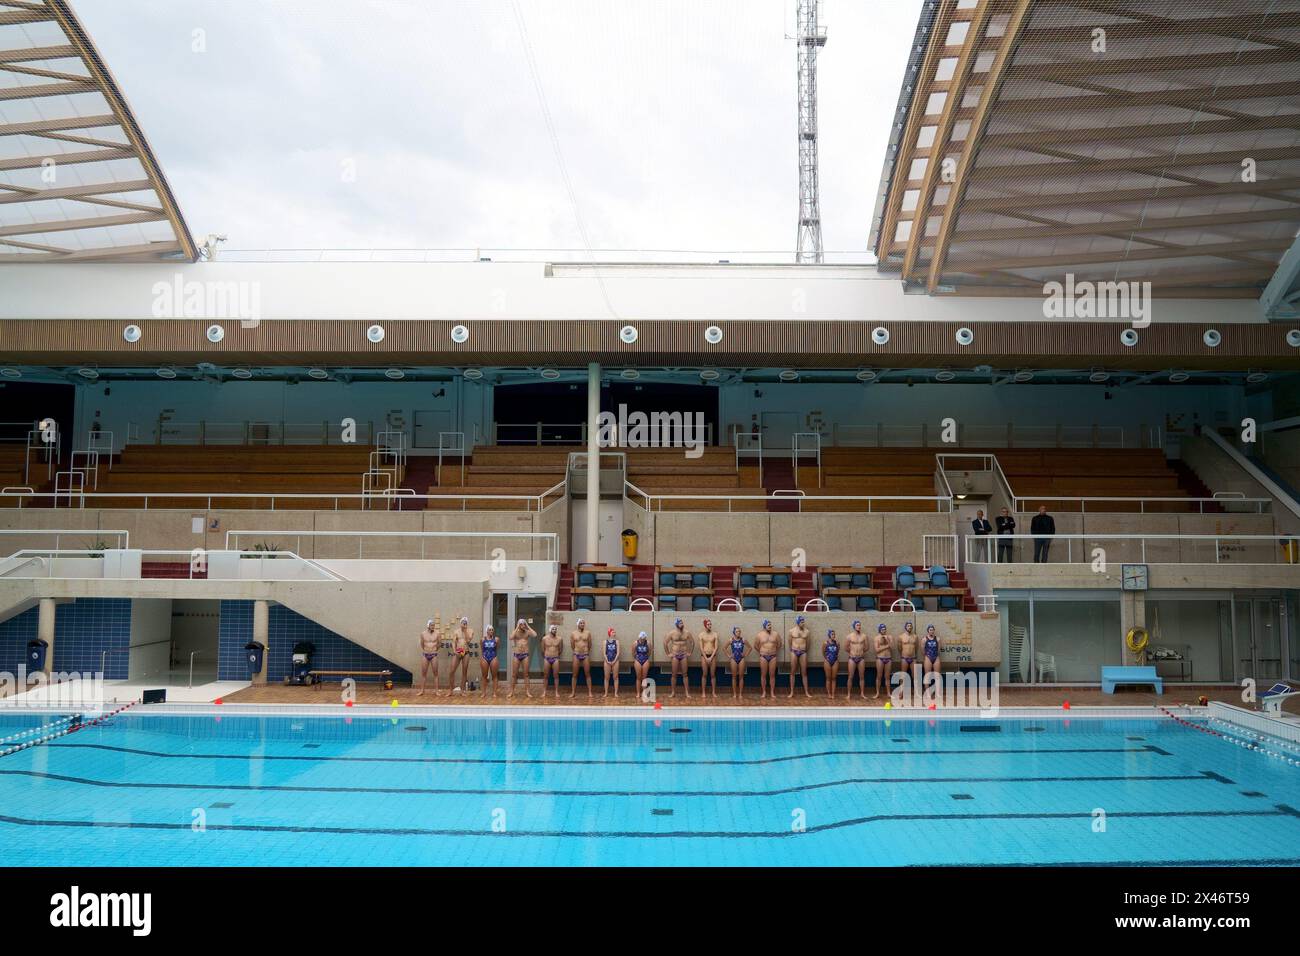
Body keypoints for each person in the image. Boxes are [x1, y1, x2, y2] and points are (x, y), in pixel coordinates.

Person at [663, 618, 694, 698]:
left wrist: (690, 652)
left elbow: (692, 642)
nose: (682, 624)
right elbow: (665, 643)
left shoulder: (687, 633)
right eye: (680, 623)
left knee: (685, 674)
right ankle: (673, 692)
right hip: (675, 655)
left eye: (682, 623)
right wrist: (668, 653)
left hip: (684, 655)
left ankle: (687, 692)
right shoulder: (672, 633)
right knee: (674, 674)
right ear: (676, 624)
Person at [506, 618, 536, 698]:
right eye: (521, 624)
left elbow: (535, 634)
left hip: (525, 654)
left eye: (523, 624)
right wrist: (517, 627)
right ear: (519, 625)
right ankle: (511, 692)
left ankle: (527, 692)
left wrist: (528, 626)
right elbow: (511, 637)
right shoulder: (516, 633)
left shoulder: (527, 632)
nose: (523, 625)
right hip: (517, 654)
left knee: (526, 674)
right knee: (514, 675)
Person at [754, 619, 782, 700]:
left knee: (772, 675)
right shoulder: (759, 635)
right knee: (763, 675)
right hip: (763, 656)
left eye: (770, 625)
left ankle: (772, 692)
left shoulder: (775, 634)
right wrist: (762, 651)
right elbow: (756, 645)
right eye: (768, 625)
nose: (770, 626)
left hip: (773, 656)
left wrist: (774, 650)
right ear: (764, 626)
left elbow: (779, 644)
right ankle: (764, 692)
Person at [787, 615, 812, 699]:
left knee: (804, 672)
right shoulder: (791, 631)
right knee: (792, 672)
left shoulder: (807, 632)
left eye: (803, 622)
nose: (803, 623)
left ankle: (806, 692)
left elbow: (808, 643)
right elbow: (789, 642)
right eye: (801, 622)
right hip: (794, 652)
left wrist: (804, 650)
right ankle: (792, 692)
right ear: (798, 622)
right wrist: (793, 649)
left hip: (803, 652)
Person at [569, 618, 594, 699]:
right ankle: (573, 692)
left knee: (588, 674)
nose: (582, 624)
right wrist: (577, 651)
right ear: (578, 624)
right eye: (581, 623)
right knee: (575, 674)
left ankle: (590, 692)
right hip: (576, 654)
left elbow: (590, 644)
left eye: (583, 623)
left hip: (585, 654)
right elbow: (572, 645)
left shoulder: (588, 633)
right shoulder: (573, 633)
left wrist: (585, 651)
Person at [447, 616, 473, 694]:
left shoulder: (470, 631)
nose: (464, 624)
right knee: (451, 671)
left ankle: (462, 690)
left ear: (467, 624)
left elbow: (468, 641)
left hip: (466, 652)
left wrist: (465, 631)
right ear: (460, 623)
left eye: (465, 623)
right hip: (458, 651)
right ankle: (450, 690)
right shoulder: (456, 631)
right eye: (463, 622)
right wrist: (454, 651)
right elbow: (453, 642)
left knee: (464, 672)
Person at [844, 620, 869, 701]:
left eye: (860, 625)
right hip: (852, 658)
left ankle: (862, 693)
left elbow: (867, 647)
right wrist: (852, 652)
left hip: (861, 658)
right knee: (850, 677)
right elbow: (846, 648)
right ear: (854, 626)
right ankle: (848, 694)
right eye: (857, 625)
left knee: (862, 677)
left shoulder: (864, 636)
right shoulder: (849, 636)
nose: (859, 626)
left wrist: (861, 652)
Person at [540, 624, 565, 699]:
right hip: (547, 658)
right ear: (550, 630)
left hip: (555, 658)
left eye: (555, 629)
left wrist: (556, 655)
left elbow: (560, 650)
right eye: (553, 629)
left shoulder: (559, 639)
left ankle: (556, 692)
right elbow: (542, 650)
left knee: (556, 676)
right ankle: (544, 692)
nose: (554, 630)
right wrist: (546, 656)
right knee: (545, 676)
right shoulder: (544, 639)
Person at [698, 618, 720, 699]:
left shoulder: (715, 634)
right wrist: (706, 658)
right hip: (704, 656)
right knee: (704, 674)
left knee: (713, 675)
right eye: (708, 624)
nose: (709, 626)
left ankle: (713, 692)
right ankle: (703, 692)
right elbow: (701, 648)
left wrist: (711, 657)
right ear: (705, 625)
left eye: (710, 624)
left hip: (712, 656)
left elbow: (716, 647)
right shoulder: (701, 635)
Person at [417, 619, 440, 697]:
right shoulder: (423, 634)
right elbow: (422, 644)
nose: (433, 626)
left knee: (436, 674)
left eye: (434, 625)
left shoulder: (437, 633)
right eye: (431, 625)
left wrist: (434, 650)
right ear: (428, 625)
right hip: (425, 654)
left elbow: (439, 644)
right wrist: (426, 650)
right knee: (423, 674)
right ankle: (422, 691)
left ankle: (437, 691)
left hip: (434, 654)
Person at [727, 626, 749, 700]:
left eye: (739, 631)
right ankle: (734, 694)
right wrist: (729, 655)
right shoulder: (731, 640)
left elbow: (750, 648)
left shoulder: (743, 640)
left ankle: (740, 694)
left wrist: (745, 654)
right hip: (733, 659)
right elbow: (724, 648)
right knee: (734, 677)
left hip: (741, 659)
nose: (738, 633)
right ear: (734, 632)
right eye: (737, 631)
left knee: (741, 677)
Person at [479, 624, 500, 697]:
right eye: (490, 630)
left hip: (493, 657)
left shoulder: (496, 639)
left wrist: (495, 656)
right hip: (485, 657)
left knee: (494, 676)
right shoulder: (482, 639)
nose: (491, 631)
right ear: (487, 631)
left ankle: (494, 692)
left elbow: (497, 648)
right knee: (484, 676)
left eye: (492, 630)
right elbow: (482, 649)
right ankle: (483, 692)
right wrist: (482, 657)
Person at [873, 623, 892, 700]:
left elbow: (891, 647)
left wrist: (887, 640)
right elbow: (877, 650)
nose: (883, 630)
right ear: (879, 630)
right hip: (880, 658)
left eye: (884, 629)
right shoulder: (876, 638)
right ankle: (877, 693)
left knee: (887, 677)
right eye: (882, 629)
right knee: (879, 676)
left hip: (888, 658)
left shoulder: (889, 637)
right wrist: (887, 646)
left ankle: (888, 693)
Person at [602, 627, 621, 697]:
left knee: (615, 677)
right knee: (606, 677)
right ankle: (606, 693)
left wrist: (614, 660)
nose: (614, 633)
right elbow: (604, 653)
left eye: (614, 632)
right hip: (607, 661)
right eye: (613, 632)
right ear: (609, 633)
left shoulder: (617, 642)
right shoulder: (605, 642)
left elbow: (618, 653)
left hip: (615, 661)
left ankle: (616, 693)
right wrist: (607, 660)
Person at [822, 628, 840, 700]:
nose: (834, 635)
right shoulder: (825, 643)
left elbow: (837, 651)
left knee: (834, 678)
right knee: (828, 678)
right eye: (832, 634)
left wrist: (834, 657)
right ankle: (829, 693)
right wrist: (827, 658)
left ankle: (833, 693)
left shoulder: (837, 643)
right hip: (827, 661)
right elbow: (823, 652)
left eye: (834, 634)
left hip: (835, 661)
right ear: (829, 635)